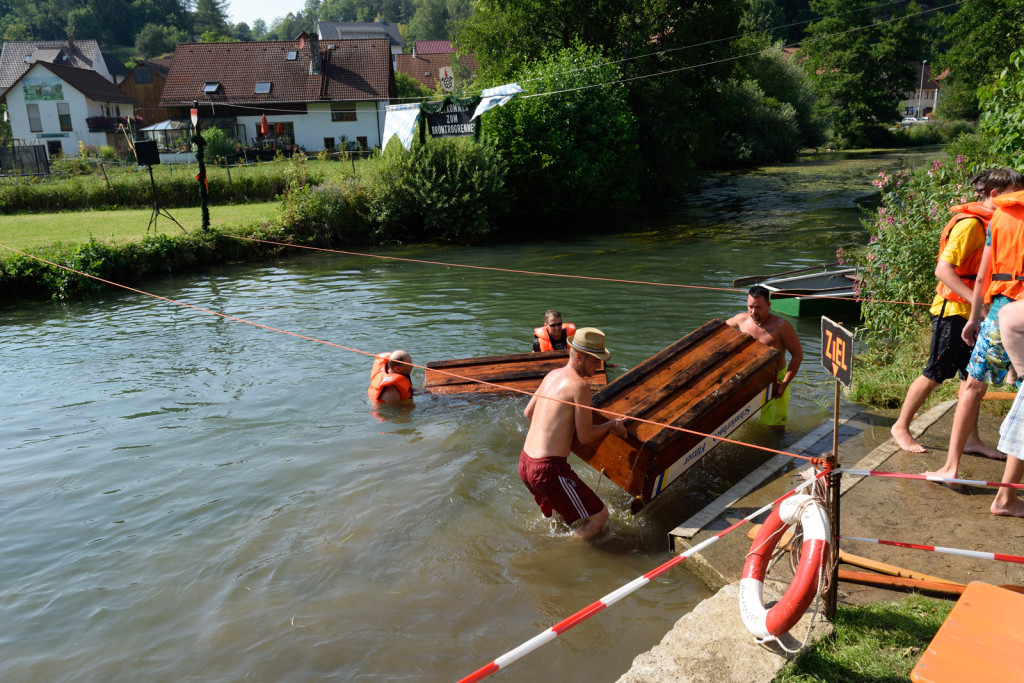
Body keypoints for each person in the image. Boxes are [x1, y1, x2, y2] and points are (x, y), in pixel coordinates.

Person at [890, 170, 1002, 453]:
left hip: (974, 314)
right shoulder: (970, 226)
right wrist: (980, 305)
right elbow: (943, 270)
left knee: (971, 376)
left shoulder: (993, 223)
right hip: (951, 311)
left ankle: (971, 440)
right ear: (995, 194)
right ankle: (901, 426)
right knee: (936, 372)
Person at [927, 169, 1024, 481]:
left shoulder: (997, 220)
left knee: (971, 385)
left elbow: (983, 276)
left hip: (998, 311)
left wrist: (973, 318)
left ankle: (950, 466)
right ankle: (1008, 489)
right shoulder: (984, 220)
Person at [519, 327, 628, 540]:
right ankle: (560, 558)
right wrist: (613, 424)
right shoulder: (580, 386)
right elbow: (585, 436)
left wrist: (558, 428)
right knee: (599, 517)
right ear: (579, 356)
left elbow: (528, 413)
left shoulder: (552, 375)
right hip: (548, 469)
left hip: (525, 462)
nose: (599, 366)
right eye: (595, 360)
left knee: (560, 517)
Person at [726, 285, 803, 429]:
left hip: (775, 381)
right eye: (750, 307)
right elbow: (719, 333)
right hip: (749, 377)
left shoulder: (781, 326)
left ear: (768, 305)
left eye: (758, 307)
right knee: (736, 422)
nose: (753, 311)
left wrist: (784, 384)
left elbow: (797, 356)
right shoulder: (741, 320)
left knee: (775, 429)